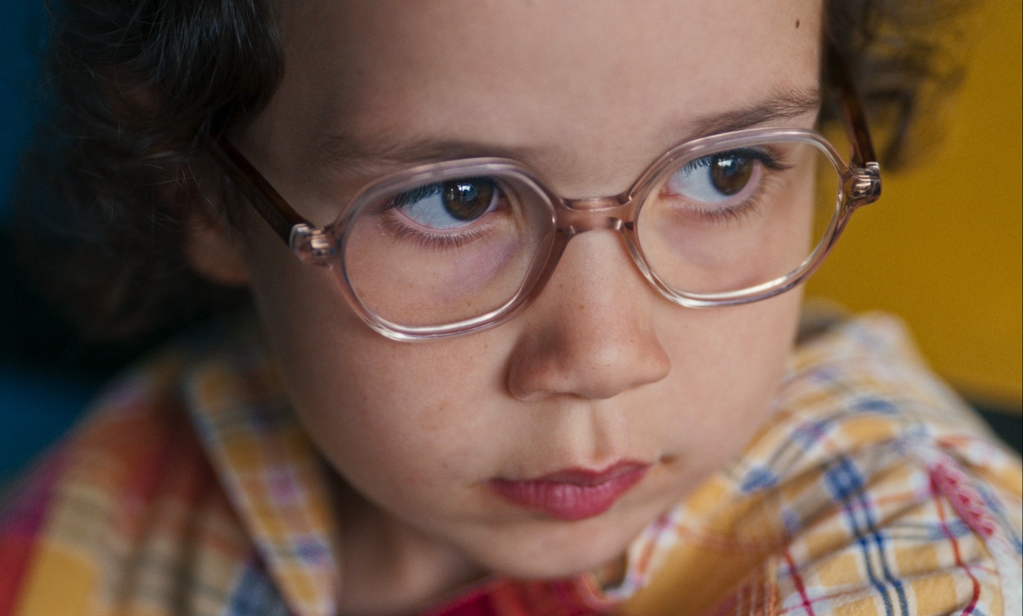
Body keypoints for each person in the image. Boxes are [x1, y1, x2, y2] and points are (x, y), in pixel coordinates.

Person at [1, 1, 1019, 615]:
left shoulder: (921, 569)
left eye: (723, 170)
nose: (604, 354)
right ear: (203, 190)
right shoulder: (129, 489)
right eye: (460, 198)